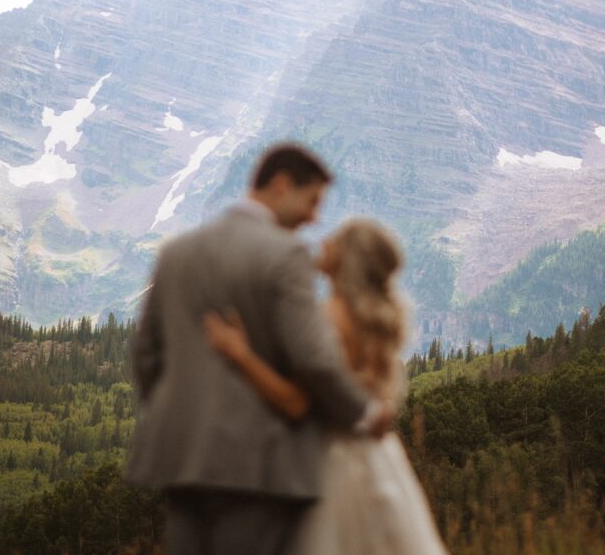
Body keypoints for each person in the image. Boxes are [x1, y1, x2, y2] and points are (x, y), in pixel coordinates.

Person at [126, 143, 390, 555]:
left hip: (180, 458)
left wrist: (177, 415)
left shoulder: (176, 253)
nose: (314, 217)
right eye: (312, 200)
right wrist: (363, 411)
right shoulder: (286, 255)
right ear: (282, 186)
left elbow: (145, 354)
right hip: (258, 465)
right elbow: (312, 358)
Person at [203, 218, 448, 554]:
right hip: (380, 458)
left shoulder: (327, 318)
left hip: (331, 463)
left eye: (334, 241)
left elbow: (295, 402)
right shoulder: (372, 320)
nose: (324, 244)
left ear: (347, 259)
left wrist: (240, 355)